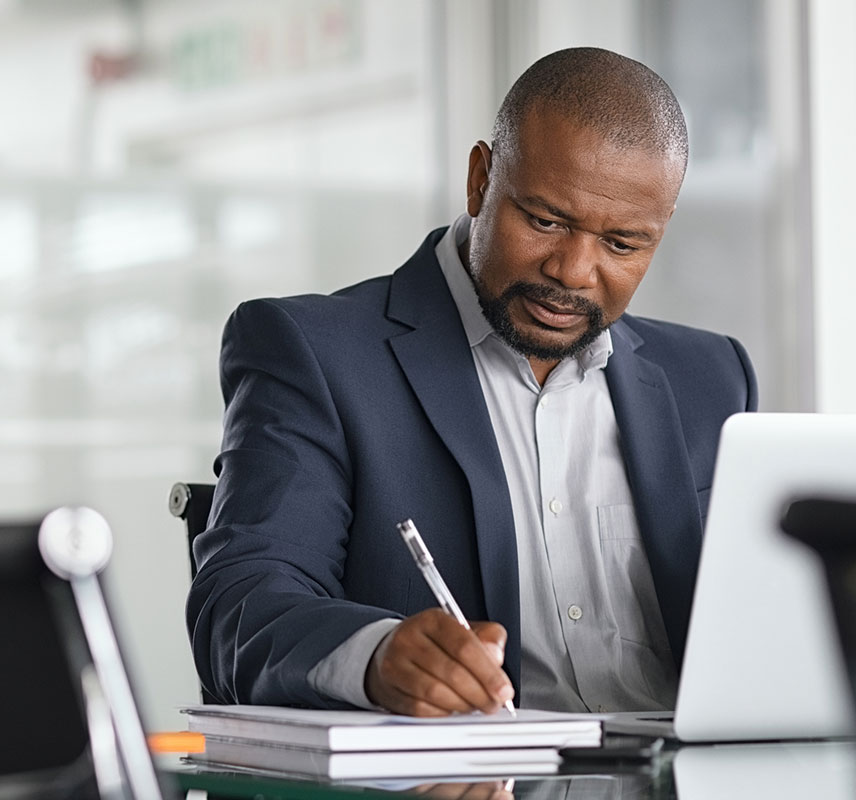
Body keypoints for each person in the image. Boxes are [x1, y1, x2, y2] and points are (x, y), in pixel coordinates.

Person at [186, 47, 757, 716]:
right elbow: (242, 602)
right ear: (481, 179)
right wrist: (375, 656)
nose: (574, 270)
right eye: (545, 221)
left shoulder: (712, 378)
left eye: (623, 243)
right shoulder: (316, 354)